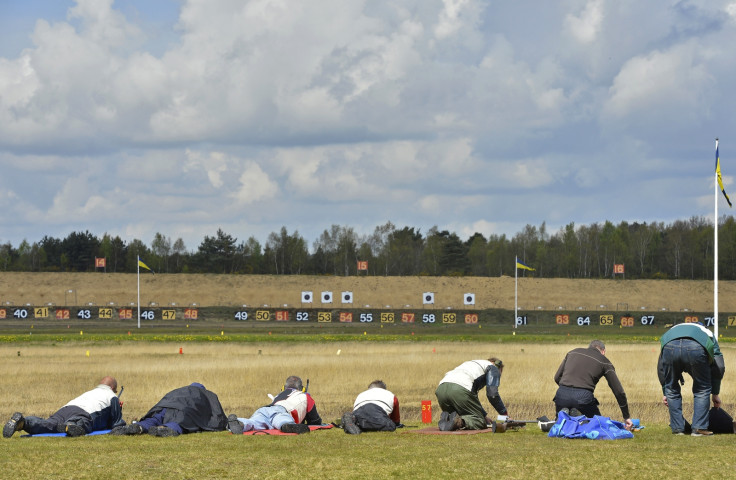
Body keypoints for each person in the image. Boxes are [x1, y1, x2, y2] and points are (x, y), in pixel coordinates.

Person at [657, 322, 725, 436]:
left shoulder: (673, 330)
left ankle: (678, 429)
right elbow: (719, 365)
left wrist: (666, 391)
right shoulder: (707, 333)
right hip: (696, 348)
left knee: (671, 389)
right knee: (702, 388)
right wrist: (715, 393)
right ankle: (699, 429)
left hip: (669, 346)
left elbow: (661, 367)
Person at [3, 376, 124, 438]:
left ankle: (24, 422)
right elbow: (116, 424)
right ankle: (71, 425)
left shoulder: (90, 392)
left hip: (66, 408)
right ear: (113, 389)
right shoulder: (111, 396)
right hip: (83, 414)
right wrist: (118, 409)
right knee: (83, 423)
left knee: (48, 424)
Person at [553, 340, 633, 430]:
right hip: (583, 397)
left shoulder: (572, 352)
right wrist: (626, 417)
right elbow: (619, 392)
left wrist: (567, 392)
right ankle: (581, 419)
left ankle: (567, 416)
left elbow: (557, 378)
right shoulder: (604, 361)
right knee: (598, 426)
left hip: (561, 395)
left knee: (561, 426)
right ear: (603, 351)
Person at [111, 382, 227, 437]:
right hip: (185, 411)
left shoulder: (180, 390)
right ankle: (164, 429)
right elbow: (216, 414)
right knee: (178, 422)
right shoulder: (205, 395)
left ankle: (139, 427)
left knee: (155, 419)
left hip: (165, 407)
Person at [227, 375, 321, 435]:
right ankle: (287, 426)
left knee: (253, 423)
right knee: (282, 421)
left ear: (283, 388)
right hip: (281, 411)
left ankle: (240, 422)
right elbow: (315, 421)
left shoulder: (279, 395)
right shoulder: (305, 396)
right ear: (303, 389)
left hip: (264, 409)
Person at [435, 357, 507, 431]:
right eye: (499, 375)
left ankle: (447, 418)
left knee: (456, 416)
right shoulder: (493, 368)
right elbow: (492, 395)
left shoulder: (472, 364)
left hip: (441, 389)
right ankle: (458, 422)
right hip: (460, 389)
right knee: (480, 422)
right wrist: (505, 415)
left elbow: (473, 399)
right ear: (496, 365)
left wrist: (484, 416)